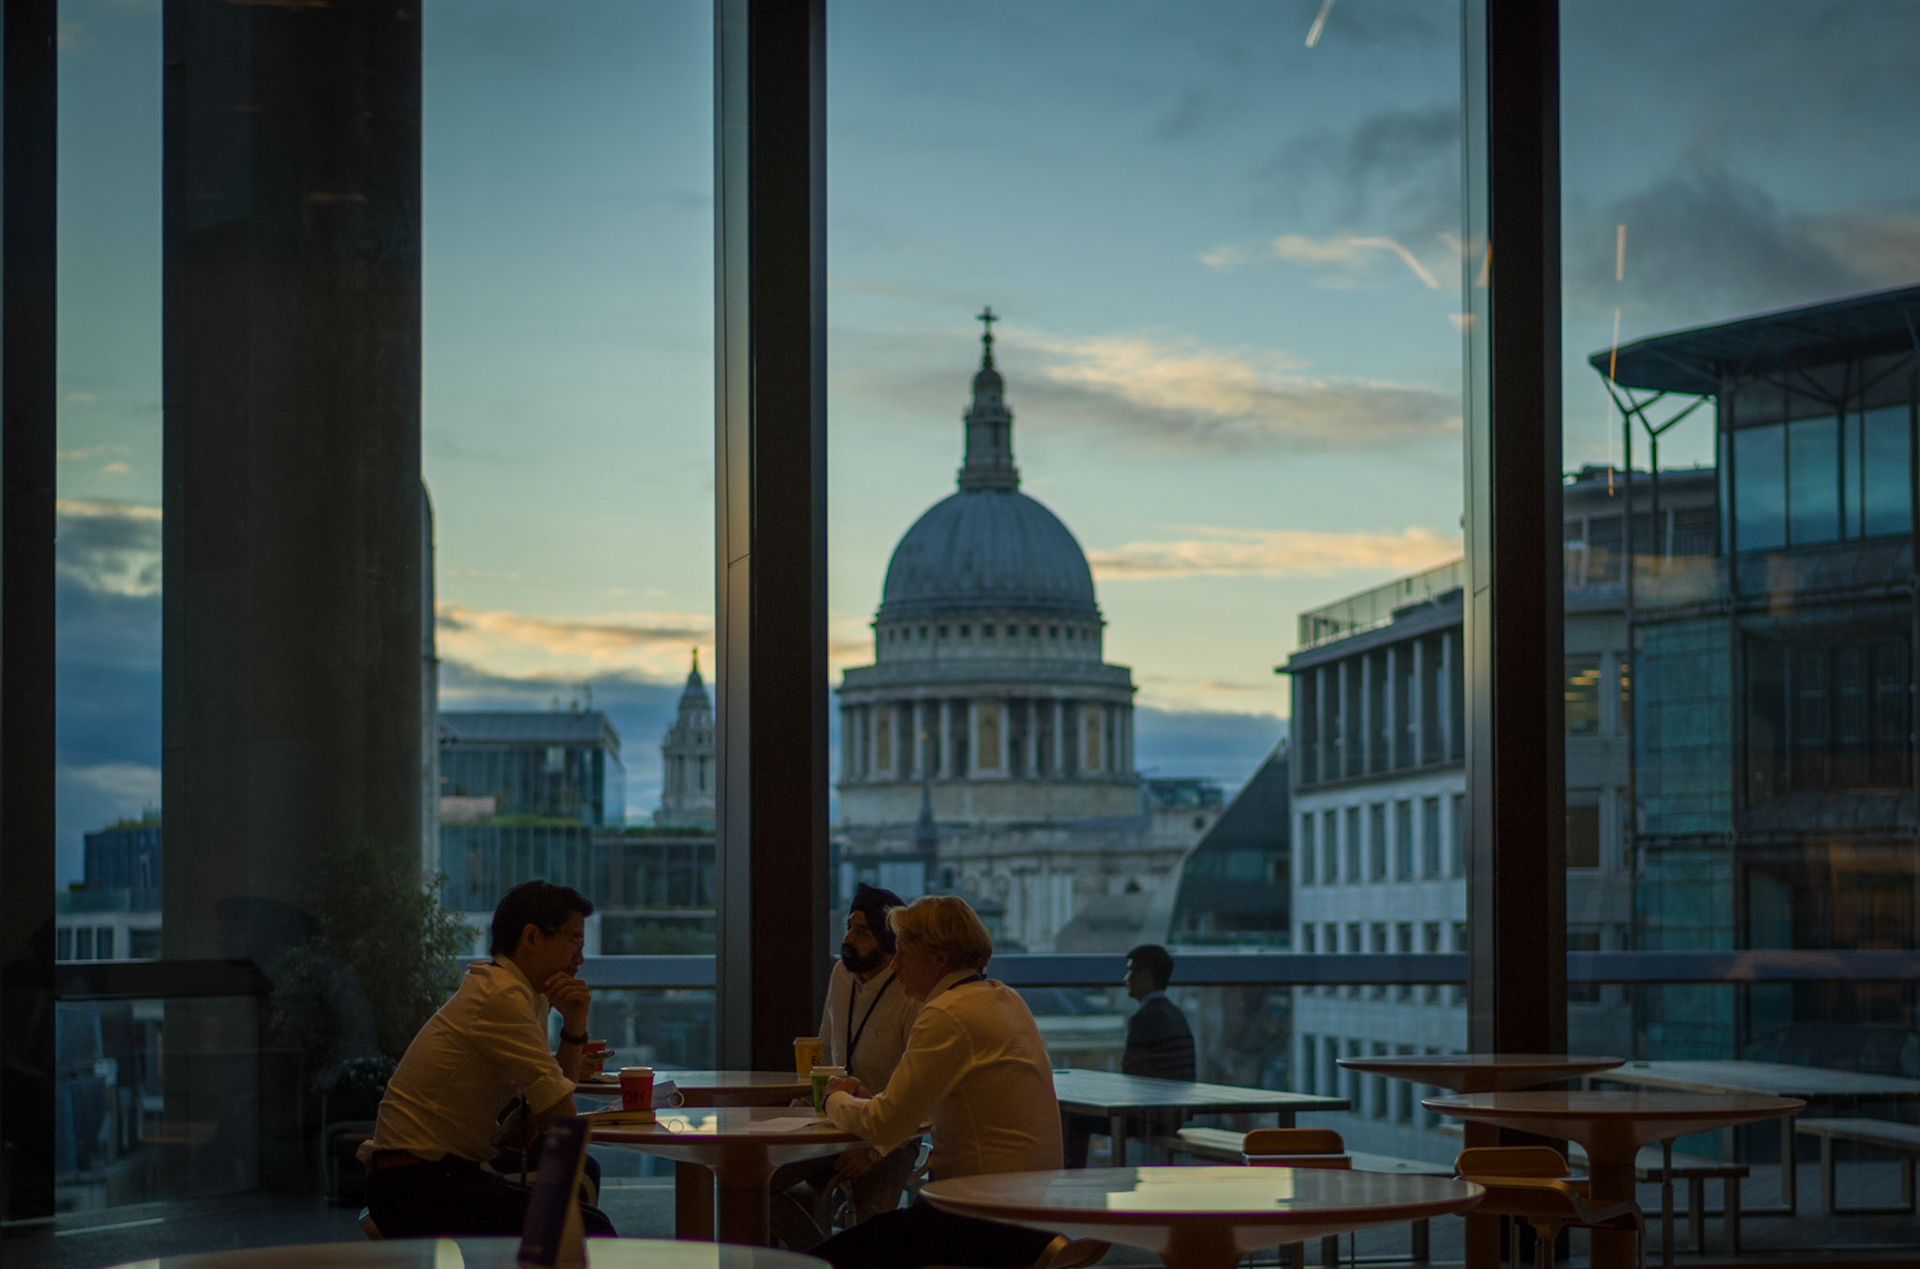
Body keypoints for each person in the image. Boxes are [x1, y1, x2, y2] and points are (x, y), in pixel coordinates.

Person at [812, 895, 1063, 1269]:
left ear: (939, 959)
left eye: (903, 953)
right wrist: (870, 1100)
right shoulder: (1004, 999)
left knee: (819, 1262)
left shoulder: (946, 1013)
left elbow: (885, 1124)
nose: (894, 966)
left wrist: (833, 1098)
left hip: (980, 1219)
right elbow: (923, 1106)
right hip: (1034, 1215)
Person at [358, 880, 616, 1238]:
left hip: (429, 1175)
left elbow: (551, 1105)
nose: (580, 958)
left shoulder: (523, 994)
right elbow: (559, 1116)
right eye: (574, 940)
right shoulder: (501, 996)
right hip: (416, 1185)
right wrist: (577, 1024)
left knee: (581, 1183)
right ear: (531, 937)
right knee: (590, 1228)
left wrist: (573, 1026)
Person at [769, 883, 922, 1248]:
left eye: (862, 931)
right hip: (833, 1119)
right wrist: (798, 1112)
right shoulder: (841, 975)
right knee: (755, 1181)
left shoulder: (911, 991)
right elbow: (823, 1050)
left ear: (887, 942)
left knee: (871, 1230)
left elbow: (919, 1095)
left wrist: (872, 1149)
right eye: (849, 927)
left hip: (891, 1133)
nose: (849, 938)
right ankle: (820, 1257)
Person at [1062, 943, 1197, 1166]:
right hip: (1175, 1116)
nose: (1126, 978)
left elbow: (1132, 1075)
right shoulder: (1177, 1015)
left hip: (1149, 1118)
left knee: (1073, 1119)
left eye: (1131, 971)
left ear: (1146, 976)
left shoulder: (1144, 1018)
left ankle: (1068, 1181)